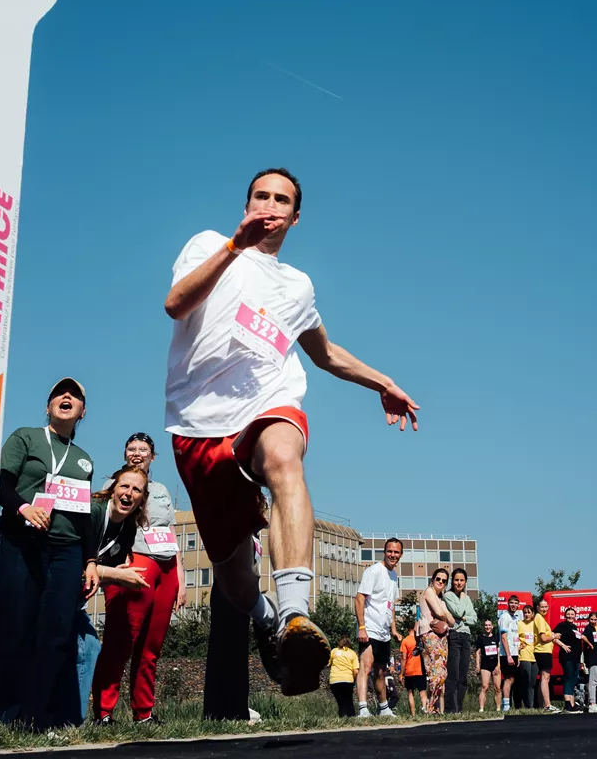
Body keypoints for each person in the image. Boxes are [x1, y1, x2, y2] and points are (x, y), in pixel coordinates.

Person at [163, 168, 421, 694]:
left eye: (281, 200)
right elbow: (176, 303)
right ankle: (265, 619)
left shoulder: (297, 286)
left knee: (285, 457)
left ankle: (295, 616)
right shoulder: (209, 245)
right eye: (261, 196)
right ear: (246, 205)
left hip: (267, 403)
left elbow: (324, 353)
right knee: (234, 575)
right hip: (198, 423)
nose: (270, 205)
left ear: (295, 217)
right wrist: (234, 247)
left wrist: (382, 382)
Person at [0, 378, 99, 728]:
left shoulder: (84, 460)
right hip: (22, 541)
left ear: (82, 412)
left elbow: (84, 517)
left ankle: (37, 718)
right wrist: (23, 508)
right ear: (48, 406)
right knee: (15, 626)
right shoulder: (26, 438)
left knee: (56, 633)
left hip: (66, 550)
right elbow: (1, 483)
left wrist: (91, 560)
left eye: (75, 395)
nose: (66, 397)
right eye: (59, 393)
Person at [90, 433, 183, 724]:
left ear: (152, 456)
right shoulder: (114, 485)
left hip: (166, 565)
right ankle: (104, 711)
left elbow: (170, 533)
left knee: (151, 646)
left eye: (144, 449)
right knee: (121, 640)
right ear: (125, 454)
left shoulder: (161, 490)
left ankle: (144, 712)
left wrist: (180, 577)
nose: (137, 453)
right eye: (132, 449)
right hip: (135, 562)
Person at [90, 465, 158, 721]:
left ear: (142, 500)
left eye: (136, 490)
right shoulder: (93, 512)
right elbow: (74, 566)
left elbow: (107, 569)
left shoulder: (128, 528)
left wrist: (117, 573)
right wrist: (116, 575)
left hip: (77, 596)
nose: (129, 493)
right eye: (124, 486)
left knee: (87, 649)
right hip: (54, 587)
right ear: (112, 489)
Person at [354, 538, 402, 717]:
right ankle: (363, 709)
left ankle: (384, 708)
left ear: (400, 555)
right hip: (369, 627)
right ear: (384, 552)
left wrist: (393, 629)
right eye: (390, 551)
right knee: (366, 667)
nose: (392, 555)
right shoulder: (373, 571)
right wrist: (362, 627)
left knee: (381, 672)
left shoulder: (394, 576)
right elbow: (359, 598)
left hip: (383, 632)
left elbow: (391, 605)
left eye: (396, 552)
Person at [418, 568, 454, 713]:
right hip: (430, 634)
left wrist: (445, 616)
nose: (440, 582)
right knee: (436, 672)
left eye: (444, 580)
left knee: (441, 673)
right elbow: (441, 613)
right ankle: (430, 707)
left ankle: (436, 708)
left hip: (442, 636)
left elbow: (452, 621)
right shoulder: (429, 591)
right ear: (432, 579)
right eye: (438, 579)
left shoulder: (440, 599)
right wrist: (445, 616)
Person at [443, 569, 477, 713]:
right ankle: (451, 708)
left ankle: (459, 708)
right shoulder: (448, 595)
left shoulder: (467, 598)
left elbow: (474, 619)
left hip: (466, 636)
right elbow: (458, 611)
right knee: (454, 674)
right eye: (456, 580)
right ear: (452, 581)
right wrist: (462, 602)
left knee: (463, 675)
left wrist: (464, 618)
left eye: (462, 580)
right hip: (454, 635)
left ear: (465, 582)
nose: (459, 583)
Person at [531, 597, 557, 711]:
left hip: (544, 651)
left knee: (543, 678)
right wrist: (554, 636)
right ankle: (547, 705)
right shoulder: (539, 618)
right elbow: (543, 638)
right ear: (537, 608)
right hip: (543, 651)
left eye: (546, 607)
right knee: (545, 678)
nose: (544, 609)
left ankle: (542, 705)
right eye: (542, 607)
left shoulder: (541, 619)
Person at [553, 608, 581, 712]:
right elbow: (553, 636)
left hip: (576, 657)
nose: (570, 616)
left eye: (572, 614)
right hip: (567, 657)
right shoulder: (562, 625)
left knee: (573, 680)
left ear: (575, 616)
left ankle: (572, 704)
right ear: (565, 616)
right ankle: (567, 703)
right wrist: (562, 645)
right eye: (568, 614)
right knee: (568, 678)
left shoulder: (574, 627)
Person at [498, 596, 522, 708]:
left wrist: (518, 654)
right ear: (508, 604)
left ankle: (509, 704)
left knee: (513, 679)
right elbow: (504, 637)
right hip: (506, 654)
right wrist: (508, 656)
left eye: (516, 603)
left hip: (515, 653)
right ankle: (506, 705)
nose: (514, 605)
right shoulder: (504, 617)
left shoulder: (515, 618)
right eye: (512, 603)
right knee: (508, 679)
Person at [329, 637, 361, 718]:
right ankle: (351, 717)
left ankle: (343, 717)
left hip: (334, 680)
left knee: (341, 702)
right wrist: (354, 681)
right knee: (349, 700)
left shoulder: (334, 651)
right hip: (347, 680)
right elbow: (356, 671)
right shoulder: (352, 653)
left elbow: (328, 663)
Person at [516, 600, 539, 707]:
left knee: (533, 683)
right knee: (526, 681)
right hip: (524, 655)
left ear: (533, 614)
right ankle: (525, 705)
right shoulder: (520, 624)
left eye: (529, 612)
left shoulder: (535, 624)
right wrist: (518, 646)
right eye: (525, 612)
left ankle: (531, 705)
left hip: (535, 655)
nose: (527, 614)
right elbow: (515, 638)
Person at [476, 617, 502, 711]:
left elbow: (499, 652)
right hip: (485, 665)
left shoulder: (496, 637)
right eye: (486, 625)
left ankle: (498, 708)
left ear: (492, 626)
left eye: (489, 625)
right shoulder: (480, 638)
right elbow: (477, 653)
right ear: (484, 627)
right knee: (485, 687)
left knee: (497, 687)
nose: (487, 627)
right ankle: (481, 709)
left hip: (495, 665)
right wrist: (477, 665)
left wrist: (498, 665)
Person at [400, 629, 426, 715]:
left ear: (408, 629)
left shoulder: (405, 641)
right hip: (420, 670)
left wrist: (401, 673)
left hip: (409, 670)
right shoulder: (420, 639)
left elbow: (404, 658)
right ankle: (425, 712)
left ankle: (413, 715)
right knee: (422, 692)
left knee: (410, 693)